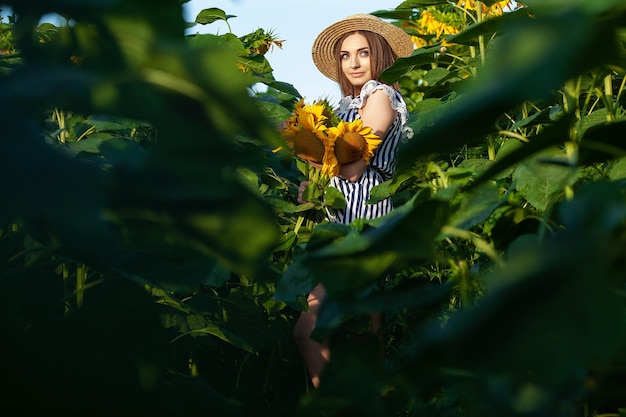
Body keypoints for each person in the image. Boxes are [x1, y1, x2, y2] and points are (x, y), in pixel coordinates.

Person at [292, 13, 414, 389]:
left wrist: (304, 145)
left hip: (364, 224)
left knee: (309, 327)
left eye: (363, 52)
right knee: (363, 335)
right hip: (342, 223)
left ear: (380, 56)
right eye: (345, 56)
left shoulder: (381, 95)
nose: (354, 63)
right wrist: (310, 170)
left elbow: (355, 164)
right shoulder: (347, 105)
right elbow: (334, 162)